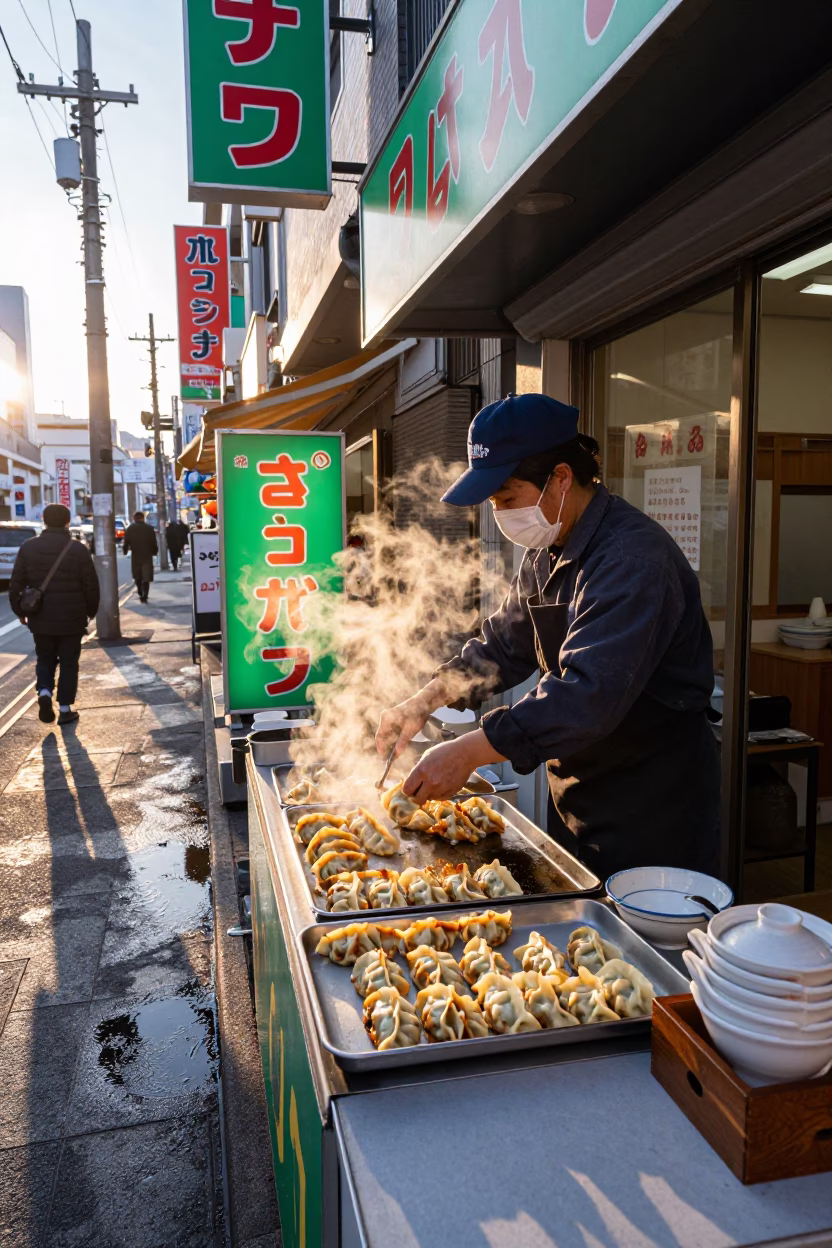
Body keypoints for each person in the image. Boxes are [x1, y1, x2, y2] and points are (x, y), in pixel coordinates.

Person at [376, 393, 721, 881]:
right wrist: (424, 700)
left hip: (654, 810)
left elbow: (587, 694)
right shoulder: (548, 548)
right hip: (580, 796)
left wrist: (469, 750)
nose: (500, 514)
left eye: (507, 498)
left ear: (560, 478)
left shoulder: (631, 560)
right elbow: (503, 645)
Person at [9, 502, 100, 726]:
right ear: (68, 521)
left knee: (45, 657)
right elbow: (91, 585)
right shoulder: (77, 549)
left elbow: (16, 583)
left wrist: (20, 610)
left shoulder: (28, 547)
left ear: (44, 520)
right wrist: (90, 611)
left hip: (41, 617)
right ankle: (65, 708)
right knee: (69, 662)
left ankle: (44, 692)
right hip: (72, 616)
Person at [123, 510, 158, 603]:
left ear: (135, 518)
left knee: (137, 576)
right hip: (147, 555)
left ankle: (139, 591)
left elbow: (126, 541)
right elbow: (153, 542)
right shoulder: (149, 528)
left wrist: (125, 550)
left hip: (136, 555)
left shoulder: (130, 528)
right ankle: (145, 595)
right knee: (146, 577)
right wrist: (155, 551)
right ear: (143, 518)